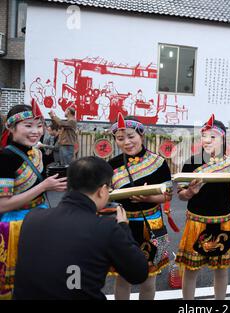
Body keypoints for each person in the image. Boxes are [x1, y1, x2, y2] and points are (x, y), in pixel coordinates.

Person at [13, 156, 149, 300]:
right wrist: (123, 227)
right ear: (102, 190)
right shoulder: (105, 228)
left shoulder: (33, 217)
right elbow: (138, 273)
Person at [0, 104, 67, 298]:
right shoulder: (5, 157)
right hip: (16, 227)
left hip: (41, 219)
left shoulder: (36, 153)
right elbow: (3, 205)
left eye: (39, 125)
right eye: (28, 126)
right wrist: (44, 186)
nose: (36, 131)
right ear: (11, 128)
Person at [176, 114, 230, 300]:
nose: (207, 140)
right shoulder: (192, 162)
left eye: (213, 136)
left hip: (224, 223)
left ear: (223, 140)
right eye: (204, 136)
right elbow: (181, 195)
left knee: (221, 271)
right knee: (191, 269)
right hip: (197, 222)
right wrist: (190, 193)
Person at [108, 113, 173, 300]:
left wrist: (148, 198)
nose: (127, 142)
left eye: (131, 136)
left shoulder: (158, 162)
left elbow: (167, 195)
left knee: (149, 277)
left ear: (141, 135)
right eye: (120, 138)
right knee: (122, 278)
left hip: (152, 225)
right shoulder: (111, 165)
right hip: (123, 225)